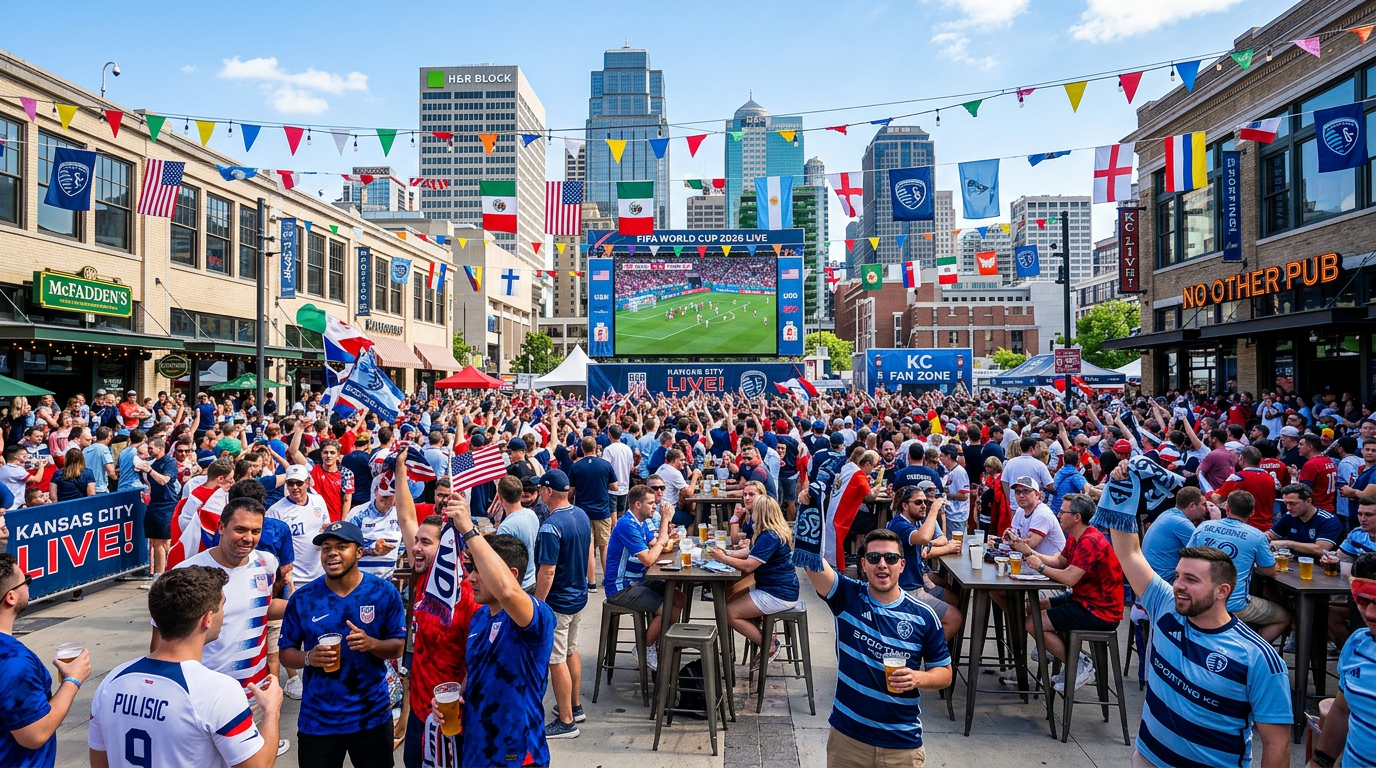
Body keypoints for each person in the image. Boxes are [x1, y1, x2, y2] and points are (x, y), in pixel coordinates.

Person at [1103, 516, 1292, 767]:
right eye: (1177, 575)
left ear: (1222, 591)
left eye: (1191, 580)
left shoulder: (1258, 657)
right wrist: (1121, 488)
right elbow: (1128, 552)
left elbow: (1277, 744)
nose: (1178, 586)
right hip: (1148, 757)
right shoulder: (1165, 605)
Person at [88, 565, 285, 768]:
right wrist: (271, 710)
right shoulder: (218, 691)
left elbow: (99, 763)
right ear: (207, 618)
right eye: (222, 606)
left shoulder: (111, 682)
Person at [800, 527, 951, 767]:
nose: (882, 564)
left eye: (890, 558)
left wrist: (917, 678)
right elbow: (810, 559)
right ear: (863, 564)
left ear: (902, 565)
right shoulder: (846, 596)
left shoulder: (924, 616)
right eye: (874, 558)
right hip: (848, 741)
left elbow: (944, 674)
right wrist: (809, 508)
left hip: (901, 745)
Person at [432, 495, 554, 768]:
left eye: (479, 570)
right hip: (477, 749)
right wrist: (453, 697)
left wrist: (469, 530)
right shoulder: (479, 617)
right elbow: (476, 671)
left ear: (510, 573)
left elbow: (509, 593)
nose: (470, 577)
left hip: (518, 753)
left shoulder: (536, 616)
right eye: (471, 569)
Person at [279, 520, 405, 768]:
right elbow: (285, 653)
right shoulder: (303, 598)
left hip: (372, 716)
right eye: (326, 548)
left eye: (341, 546)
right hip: (318, 720)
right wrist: (308, 658)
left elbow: (397, 647)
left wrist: (371, 644)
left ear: (359, 552)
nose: (332, 553)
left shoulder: (383, 592)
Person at [390, 461, 478, 768]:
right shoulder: (423, 574)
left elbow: (477, 657)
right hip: (418, 709)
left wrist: (457, 697)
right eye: (416, 540)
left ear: (446, 549)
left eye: (425, 542)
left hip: (450, 715)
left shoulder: (467, 596)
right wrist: (400, 468)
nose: (415, 547)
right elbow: (404, 515)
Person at [1019, 494, 1125, 693]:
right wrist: (1027, 550)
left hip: (1100, 611)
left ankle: (1078, 662)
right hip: (1084, 599)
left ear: (1077, 517)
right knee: (1033, 607)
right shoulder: (1078, 536)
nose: (1058, 515)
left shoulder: (1090, 541)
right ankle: (1053, 645)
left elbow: (1069, 578)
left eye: (1062, 512)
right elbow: (1060, 562)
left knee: (1032, 623)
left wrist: (1039, 566)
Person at [0, 552, 92, 767]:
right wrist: (72, 681)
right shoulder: (13, 661)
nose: (28, 586)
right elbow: (35, 734)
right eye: (26, 581)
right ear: (10, 597)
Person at [1189, 490, 1291, 642]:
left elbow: (1188, 556)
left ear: (1228, 508)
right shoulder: (1256, 536)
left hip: (1199, 597)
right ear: (1252, 513)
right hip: (1233, 604)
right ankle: (1250, 651)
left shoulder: (1204, 526)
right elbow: (1271, 572)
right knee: (1285, 617)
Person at [534, 469, 591, 738]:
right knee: (570, 651)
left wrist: (538, 605)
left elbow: (547, 571)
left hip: (559, 600)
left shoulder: (550, 526)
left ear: (547, 492)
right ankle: (574, 707)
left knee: (556, 660)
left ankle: (567, 721)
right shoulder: (580, 514)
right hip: (578, 595)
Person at [710, 495, 802, 662]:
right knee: (728, 598)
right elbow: (750, 552)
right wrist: (725, 553)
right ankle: (765, 634)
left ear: (761, 513)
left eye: (754, 511)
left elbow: (748, 566)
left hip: (778, 592)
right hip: (775, 586)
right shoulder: (770, 532)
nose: (751, 514)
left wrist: (723, 559)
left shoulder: (770, 536)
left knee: (729, 612)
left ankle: (768, 645)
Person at [604, 484, 683, 670]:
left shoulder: (642, 522)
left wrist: (664, 533)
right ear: (637, 505)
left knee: (679, 598)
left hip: (638, 581)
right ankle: (644, 648)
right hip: (621, 587)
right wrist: (664, 521)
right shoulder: (627, 525)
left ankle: (659, 643)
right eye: (651, 503)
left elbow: (658, 544)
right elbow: (648, 559)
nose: (655, 506)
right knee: (668, 610)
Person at [1308, 553, 1376, 768]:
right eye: (1363, 601)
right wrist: (1319, 762)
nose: (1371, 614)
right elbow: (1342, 709)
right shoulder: (1358, 644)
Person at [885, 485, 963, 641]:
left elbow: (927, 545)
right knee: (955, 618)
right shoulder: (899, 525)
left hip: (917, 583)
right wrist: (934, 509)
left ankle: (942, 652)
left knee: (956, 600)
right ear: (905, 506)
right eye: (918, 502)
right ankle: (928, 657)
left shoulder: (914, 523)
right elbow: (923, 539)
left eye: (925, 502)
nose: (923, 506)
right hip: (906, 590)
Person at [567, 436, 617, 592]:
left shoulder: (576, 466)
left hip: (582, 511)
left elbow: (571, 491)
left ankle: (591, 583)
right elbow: (614, 487)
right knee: (604, 546)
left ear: (582, 448)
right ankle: (608, 580)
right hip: (602, 510)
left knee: (589, 547)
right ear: (596, 447)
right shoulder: (605, 465)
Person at [1141, 486, 1210, 582]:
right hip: (1164, 579)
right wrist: (1216, 521)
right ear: (1192, 506)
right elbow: (1208, 552)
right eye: (1204, 505)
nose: (1207, 509)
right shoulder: (1180, 523)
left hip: (1151, 576)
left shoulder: (1168, 514)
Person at [344, 475, 402, 579]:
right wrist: (372, 550)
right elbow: (345, 547)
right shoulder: (357, 514)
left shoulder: (401, 516)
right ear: (375, 491)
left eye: (390, 494)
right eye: (383, 493)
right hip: (359, 576)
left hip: (388, 576)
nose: (386, 497)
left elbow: (405, 544)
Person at [1269, 482, 1344, 558]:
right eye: (1286, 503)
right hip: (1295, 563)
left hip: (1320, 565)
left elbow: (1321, 549)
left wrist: (1288, 544)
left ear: (1308, 501)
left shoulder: (1328, 521)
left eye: (1293, 503)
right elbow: (1271, 535)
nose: (1288, 508)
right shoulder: (1290, 516)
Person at [494, 476, 540, 591]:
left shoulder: (506, 527)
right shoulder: (531, 514)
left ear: (500, 497)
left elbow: (503, 563)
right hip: (531, 578)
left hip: (517, 585)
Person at [1003, 476, 1066, 557]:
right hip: (1034, 562)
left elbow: (1027, 546)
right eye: (1017, 491)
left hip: (1053, 565)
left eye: (1026, 491)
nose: (1021, 495)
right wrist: (1009, 538)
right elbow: (1012, 537)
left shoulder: (1042, 514)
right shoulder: (1020, 510)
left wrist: (1010, 540)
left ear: (1037, 494)